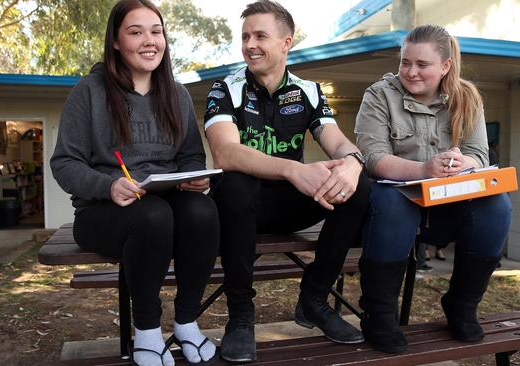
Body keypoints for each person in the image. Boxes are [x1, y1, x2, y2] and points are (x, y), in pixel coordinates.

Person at [50, 1, 219, 365]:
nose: (149, 40)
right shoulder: (90, 91)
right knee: (153, 215)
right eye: (135, 31)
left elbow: (190, 155)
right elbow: (64, 163)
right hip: (103, 213)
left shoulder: (177, 93)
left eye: (156, 31)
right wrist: (108, 186)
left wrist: (194, 177)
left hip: (164, 202)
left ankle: (188, 321)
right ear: (115, 41)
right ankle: (146, 331)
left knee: (203, 211)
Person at [203, 0, 370, 362]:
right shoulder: (224, 88)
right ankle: (241, 317)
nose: (250, 44)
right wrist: (294, 169)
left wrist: (354, 163)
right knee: (234, 182)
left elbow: (336, 141)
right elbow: (225, 154)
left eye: (260, 35)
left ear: (286, 43)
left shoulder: (308, 91)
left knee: (358, 188)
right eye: (245, 36)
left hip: (289, 203)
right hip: (238, 207)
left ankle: (313, 299)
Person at [354, 24, 512, 354]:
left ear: (445, 66)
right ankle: (379, 314)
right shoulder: (379, 95)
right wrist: (424, 170)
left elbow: (479, 155)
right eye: (405, 62)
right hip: (390, 210)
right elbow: (373, 157)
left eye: (422, 65)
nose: (410, 72)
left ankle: (462, 305)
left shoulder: (466, 97)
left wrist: (461, 161)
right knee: (392, 200)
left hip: (447, 204)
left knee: (496, 205)